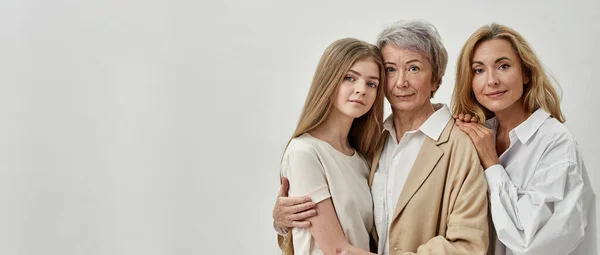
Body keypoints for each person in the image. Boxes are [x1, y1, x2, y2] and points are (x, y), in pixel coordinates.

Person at [274, 20, 490, 255]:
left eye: (414, 68)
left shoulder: (461, 144)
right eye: (390, 70)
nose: (401, 82)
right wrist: (282, 222)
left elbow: (469, 245)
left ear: (436, 79)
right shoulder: (372, 144)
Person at [452, 23, 597, 255]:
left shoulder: (555, 143)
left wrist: (492, 164)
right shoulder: (479, 134)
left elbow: (531, 243)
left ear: (526, 73)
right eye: (478, 70)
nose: (491, 80)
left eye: (503, 66)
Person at [276, 37, 386, 255]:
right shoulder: (305, 152)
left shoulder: (363, 159)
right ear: (329, 79)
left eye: (371, 83)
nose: (361, 89)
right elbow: (337, 250)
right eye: (349, 78)